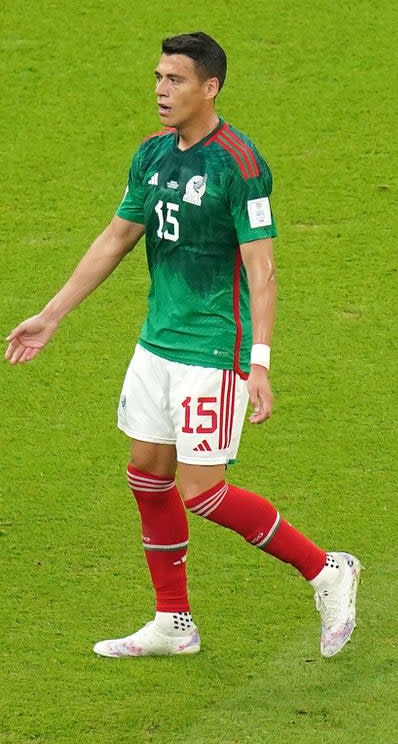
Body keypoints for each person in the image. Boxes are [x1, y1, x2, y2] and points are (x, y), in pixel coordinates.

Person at [5, 32, 362, 656]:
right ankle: (174, 624)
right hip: (156, 346)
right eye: (158, 79)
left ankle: (327, 569)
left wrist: (260, 361)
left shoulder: (240, 165)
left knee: (204, 492)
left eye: (174, 81)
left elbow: (263, 269)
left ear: (210, 88)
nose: (161, 91)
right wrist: (52, 314)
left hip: (211, 350)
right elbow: (118, 236)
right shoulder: (152, 155)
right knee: (147, 473)